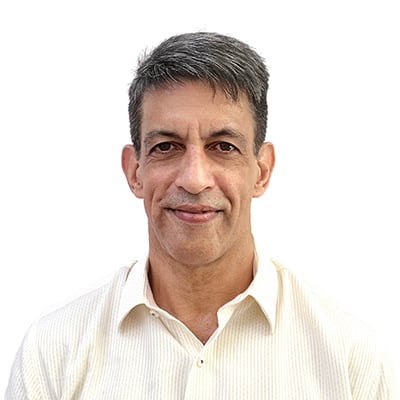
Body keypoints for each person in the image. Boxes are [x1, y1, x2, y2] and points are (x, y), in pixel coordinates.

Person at [6, 32, 396, 399]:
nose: (194, 179)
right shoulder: (53, 353)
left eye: (223, 147)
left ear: (261, 171)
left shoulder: (350, 358)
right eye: (166, 147)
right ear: (134, 171)